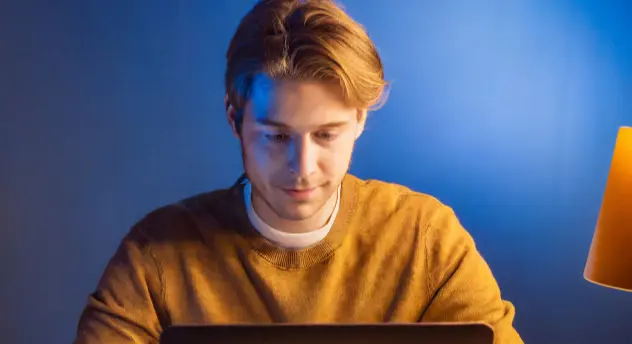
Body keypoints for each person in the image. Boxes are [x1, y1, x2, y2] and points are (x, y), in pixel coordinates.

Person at [74, 0, 523, 343]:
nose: (303, 169)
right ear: (235, 119)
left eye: (326, 135)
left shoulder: (426, 239)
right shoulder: (155, 255)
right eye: (277, 137)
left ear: (360, 121)